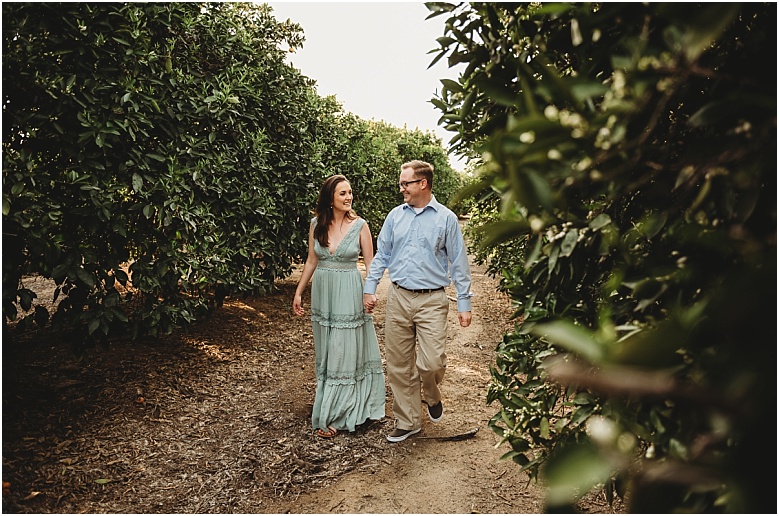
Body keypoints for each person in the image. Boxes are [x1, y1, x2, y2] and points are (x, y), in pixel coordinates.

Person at [363, 160, 472, 443]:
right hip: (399, 296)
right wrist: (370, 287)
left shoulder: (445, 218)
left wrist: (464, 302)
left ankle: (432, 395)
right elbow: (382, 254)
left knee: (431, 362)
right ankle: (408, 420)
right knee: (399, 364)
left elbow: (458, 262)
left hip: (432, 300)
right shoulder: (395, 216)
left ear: (422, 183)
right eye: (401, 184)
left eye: (405, 184)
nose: (401, 189)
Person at [293, 175, 386, 438]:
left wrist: (370, 293)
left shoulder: (360, 226)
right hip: (324, 294)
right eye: (342, 194)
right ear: (330, 198)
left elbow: (372, 264)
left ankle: (339, 413)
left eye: (350, 193)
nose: (348, 198)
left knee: (342, 350)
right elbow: (311, 260)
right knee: (328, 351)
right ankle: (331, 404)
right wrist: (299, 292)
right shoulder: (316, 224)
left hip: (349, 292)